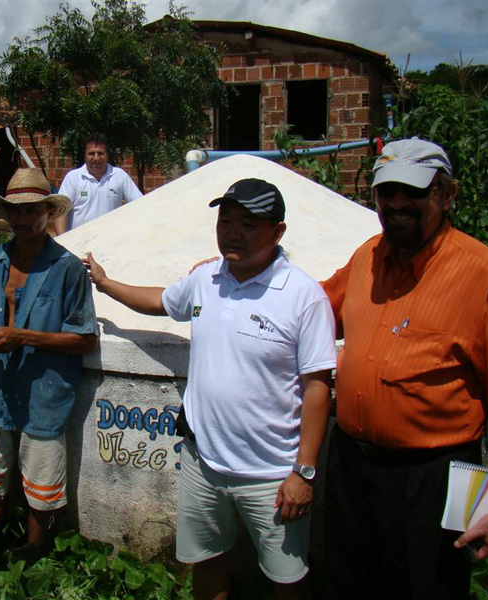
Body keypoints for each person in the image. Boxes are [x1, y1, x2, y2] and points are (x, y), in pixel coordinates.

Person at [84, 178, 337, 600]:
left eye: (248, 224)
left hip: (271, 475)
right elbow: (161, 300)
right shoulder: (207, 279)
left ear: (278, 232)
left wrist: (303, 472)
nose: (233, 232)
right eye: (226, 220)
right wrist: (108, 285)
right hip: (205, 465)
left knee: (288, 580)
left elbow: (317, 387)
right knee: (206, 564)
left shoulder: (302, 296)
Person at [320, 137, 488, 600]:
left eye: (413, 192)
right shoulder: (368, 255)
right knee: (346, 583)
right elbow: (312, 312)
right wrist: (247, 281)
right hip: (352, 465)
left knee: (426, 586)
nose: (397, 204)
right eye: (385, 193)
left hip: (434, 475)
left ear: (446, 195)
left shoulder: (482, 275)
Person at [0, 168, 98, 598]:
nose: (24, 220)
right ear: (6, 214)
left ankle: (32, 567)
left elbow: (84, 338)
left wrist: (24, 337)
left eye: (33, 211)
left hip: (44, 393)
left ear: (47, 213)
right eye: (16, 212)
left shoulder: (67, 268)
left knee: (42, 484)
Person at [54, 133, 142, 235]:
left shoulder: (119, 176)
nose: (96, 158)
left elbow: (140, 204)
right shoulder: (73, 178)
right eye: (91, 153)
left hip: (109, 242)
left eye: (100, 153)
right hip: (78, 245)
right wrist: (63, 243)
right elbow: (61, 211)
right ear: (85, 155)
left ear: (107, 155)